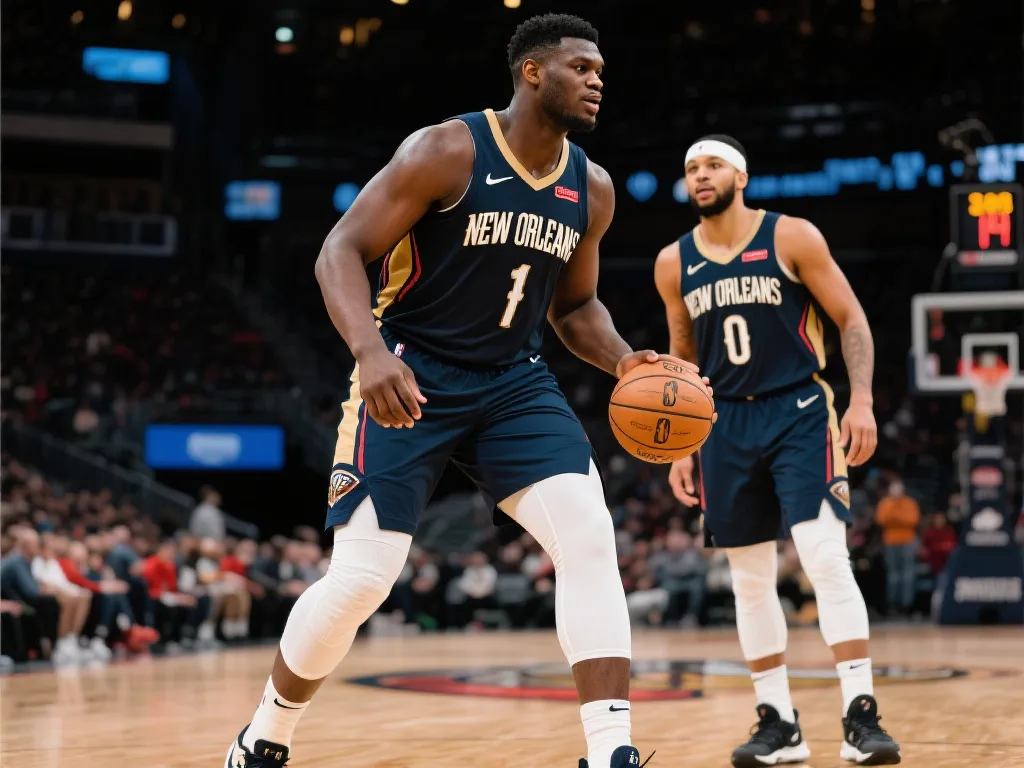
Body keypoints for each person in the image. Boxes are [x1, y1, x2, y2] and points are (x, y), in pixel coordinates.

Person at [226, 14, 702, 768]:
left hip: (515, 382)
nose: (596, 81)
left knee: (589, 536)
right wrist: (370, 352)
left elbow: (575, 308)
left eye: (600, 71)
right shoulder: (447, 150)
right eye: (581, 67)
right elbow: (339, 250)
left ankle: (610, 749)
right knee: (362, 579)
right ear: (532, 72)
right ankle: (265, 734)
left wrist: (625, 362)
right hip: (412, 370)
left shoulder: (591, 187)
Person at [655, 135, 901, 767]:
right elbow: (682, 355)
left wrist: (862, 400)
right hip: (723, 424)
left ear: (740, 176)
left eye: (713, 165)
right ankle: (779, 723)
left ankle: (861, 715)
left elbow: (851, 319)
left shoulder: (791, 235)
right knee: (749, 579)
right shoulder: (673, 261)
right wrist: (681, 441)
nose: (700, 175)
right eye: (691, 168)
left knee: (825, 557)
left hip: (797, 410)